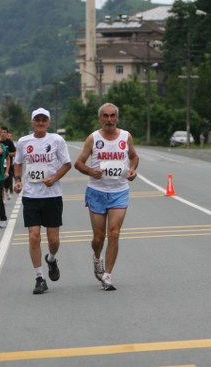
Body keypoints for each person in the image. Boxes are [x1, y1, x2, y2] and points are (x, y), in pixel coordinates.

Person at [74, 103, 139, 291]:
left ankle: (108, 276)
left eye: (112, 116)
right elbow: (78, 163)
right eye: (105, 116)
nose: (109, 119)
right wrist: (90, 171)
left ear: (117, 118)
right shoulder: (93, 138)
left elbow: (134, 157)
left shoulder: (126, 137)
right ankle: (97, 257)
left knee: (114, 233)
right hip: (97, 191)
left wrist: (132, 170)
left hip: (119, 191)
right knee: (99, 237)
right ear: (100, 118)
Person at [14, 107, 72, 294]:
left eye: (43, 120)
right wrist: (17, 180)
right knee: (33, 236)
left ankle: (51, 259)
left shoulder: (56, 140)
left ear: (48, 122)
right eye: (37, 120)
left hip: (52, 195)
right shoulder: (24, 141)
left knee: (53, 239)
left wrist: (54, 178)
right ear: (32, 122)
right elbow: (18, 162)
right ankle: (39, 277)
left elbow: (67, 164)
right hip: (31, 196)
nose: (40, 123)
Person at [0, 126, 17, 200]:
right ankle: (2, 197)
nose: (3, 133)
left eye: (5, 132)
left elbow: (15, 153)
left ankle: (7, 191)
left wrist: (6, 154)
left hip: (7, 164)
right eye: (1, 132)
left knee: (7, 181)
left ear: (7, 134)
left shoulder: (9, 142)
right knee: (0, 182)